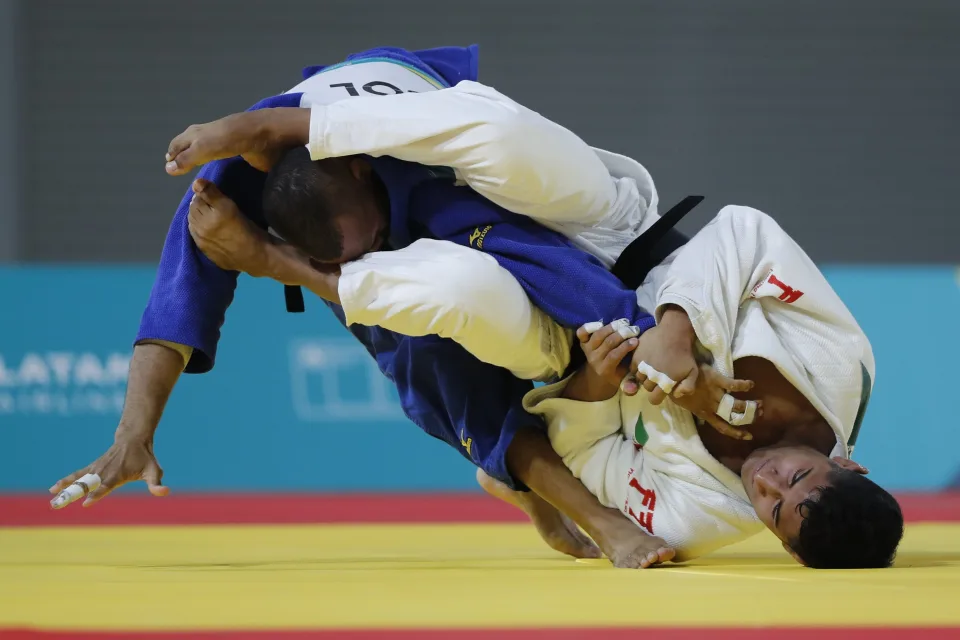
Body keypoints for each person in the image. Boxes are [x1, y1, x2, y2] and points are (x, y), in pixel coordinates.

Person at [50, 45, 726, 569]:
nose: (377, 252)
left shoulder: (421, 172)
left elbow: (538, 258)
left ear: (357, 169)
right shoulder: (219, 190)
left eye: (372, 240)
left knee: (500, 204)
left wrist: (640, 336)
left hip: (419, 140)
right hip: (325, 222)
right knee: (429, 354)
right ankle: (573, 507)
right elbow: (173, 309)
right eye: (354, 254)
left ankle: (526, 473)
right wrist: (133, 436)